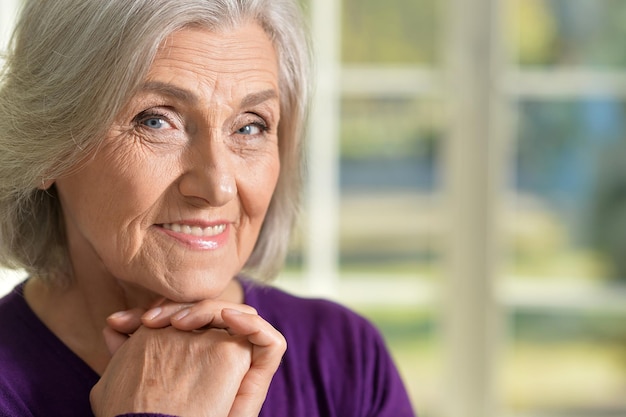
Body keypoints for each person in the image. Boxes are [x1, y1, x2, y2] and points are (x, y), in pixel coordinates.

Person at [0, 0, 416, 416]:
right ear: (49, 148)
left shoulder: (346, 360)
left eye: (250, 125)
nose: (217, 187)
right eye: (156, 121)